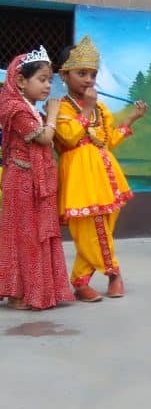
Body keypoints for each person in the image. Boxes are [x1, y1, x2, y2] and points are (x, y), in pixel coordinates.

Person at [54, 35, 148, 302]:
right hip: (80, 179)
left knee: (100, 230)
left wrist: (131, 119)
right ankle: (113, 273)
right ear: (64, 75)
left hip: (107, 177)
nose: (88, 80)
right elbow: (69, 137)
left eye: (93, 74)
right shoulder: (60, 108)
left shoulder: (102, 109)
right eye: (81, 73)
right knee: (89, 230)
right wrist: (88, 107)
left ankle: (80, 281)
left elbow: (108, 142)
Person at [0, 46, 75, 310]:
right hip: (21, 181)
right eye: (42, 79)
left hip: (33, 180)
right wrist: (52, 115)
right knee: (24, 236)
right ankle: (19, 293)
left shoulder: (30, 108)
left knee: (35, 234)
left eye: (49, 80)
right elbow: (43, 138)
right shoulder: (15, 108)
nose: (47, 86)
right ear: (21, 81)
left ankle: (35, 291)